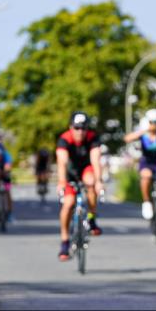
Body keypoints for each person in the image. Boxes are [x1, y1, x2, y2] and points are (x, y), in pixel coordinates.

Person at [56, 111, 103, 260]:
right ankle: (64, 243)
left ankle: (91, 218)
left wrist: (99, 181)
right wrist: (62, 182)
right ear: (71, 127)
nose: (80, 131)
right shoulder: (64, 139)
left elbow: (95, 160)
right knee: (68, 204)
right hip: (70, 173)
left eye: (83, 128)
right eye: (77, 128)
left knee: (91, 182)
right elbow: (62, 162)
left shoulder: (92, 137)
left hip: (86, 169)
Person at [123, 109, 156, 242]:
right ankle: (146, 202)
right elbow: (127, 138)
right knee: (145, 176)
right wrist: (142, 131)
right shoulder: (143, 135)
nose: (154, 125)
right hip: (146, 163)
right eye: (152, 122)